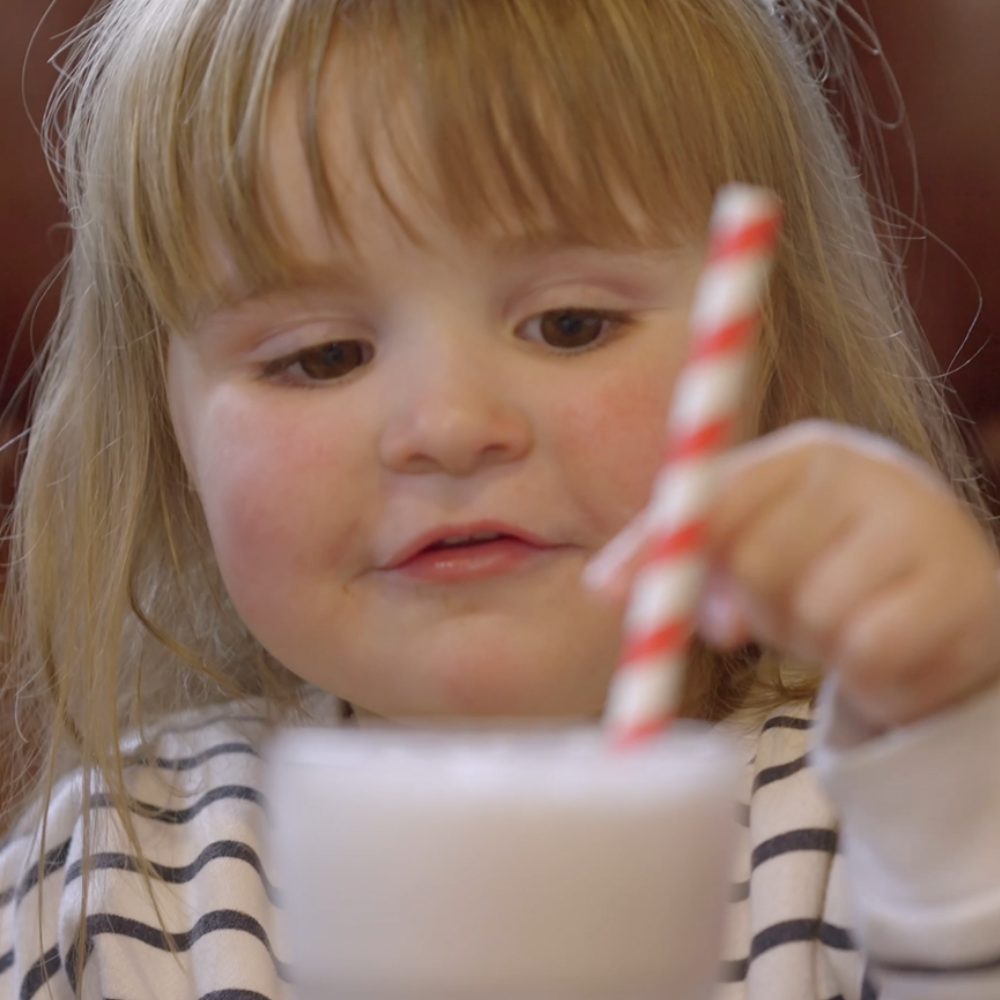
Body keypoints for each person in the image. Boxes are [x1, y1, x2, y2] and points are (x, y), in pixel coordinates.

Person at [1, 0, 999, 998]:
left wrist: (954, 744)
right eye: (325, 356)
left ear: (763, 363)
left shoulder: (896, 820)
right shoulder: (101, 882)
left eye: (569, 325)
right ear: (170, 440)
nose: (449, 424)